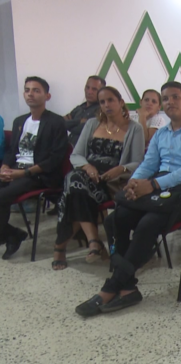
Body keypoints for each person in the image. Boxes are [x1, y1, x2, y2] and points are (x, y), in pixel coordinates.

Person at [74, 81, 181, 317]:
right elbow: (148, 164)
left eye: (176, 97)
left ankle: (111, 287)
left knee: (147, 223)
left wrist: (153, 185)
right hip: (161, 191)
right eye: (166, 98)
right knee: (115, 218)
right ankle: (128, 288)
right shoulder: (162, 134)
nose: (170, 102)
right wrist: (134, 183)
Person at [52, 87, 145, 270]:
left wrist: (121, 169)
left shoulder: (135, 129)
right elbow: (76, 155)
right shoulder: (92, 124)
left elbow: (138, 162)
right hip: (86, 175)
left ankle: (61, 247)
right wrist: (87, 166)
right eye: (102, 102)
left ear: (121, 102)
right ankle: (94, 241)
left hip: (111, 182)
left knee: (73, 189)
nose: (106, 105)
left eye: (110, 100)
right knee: (76, 182)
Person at [1, 77, 68, 259]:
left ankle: (10, 235)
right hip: (16, 170)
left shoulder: (56, 122)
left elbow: (55, 159)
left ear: (47, 96)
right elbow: (12, 151)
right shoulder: (19, 121)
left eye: (36, 90)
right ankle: (11, 233)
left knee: (1, 197)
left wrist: (23, 173)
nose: (30, 94)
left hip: (39, 175)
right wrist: (4, 167)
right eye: (27, 90)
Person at [64, 76, 105, 146]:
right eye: (87, 87)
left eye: (94, 89)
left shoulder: (101, 111)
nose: (89, 92)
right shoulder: (79, 108)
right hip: (68, 148)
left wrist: (69, 124)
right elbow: (61, 123)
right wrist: (79, 121)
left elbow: (84, 130)